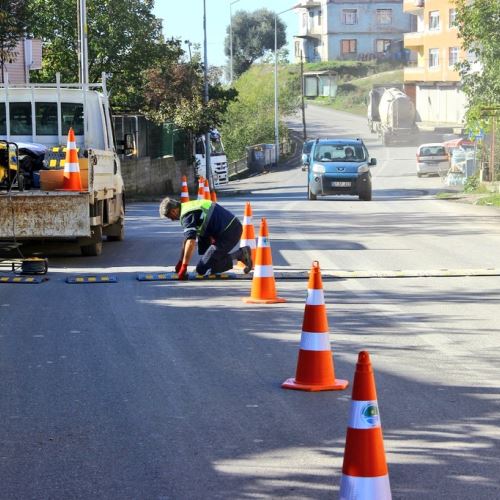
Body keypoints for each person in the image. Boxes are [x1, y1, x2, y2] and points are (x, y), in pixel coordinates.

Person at [159, 197, 253, 280]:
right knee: (205, 254)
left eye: (169, 216)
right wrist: (180, 262)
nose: (171, 219)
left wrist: (184, 267)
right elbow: (187, 239)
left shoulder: (186, 216)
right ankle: (214, 259)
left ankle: (240, 254)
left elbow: (191, 242)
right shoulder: (187, 206)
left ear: (173, 211)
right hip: (226, 228)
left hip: (230, 232)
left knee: (202, 269)